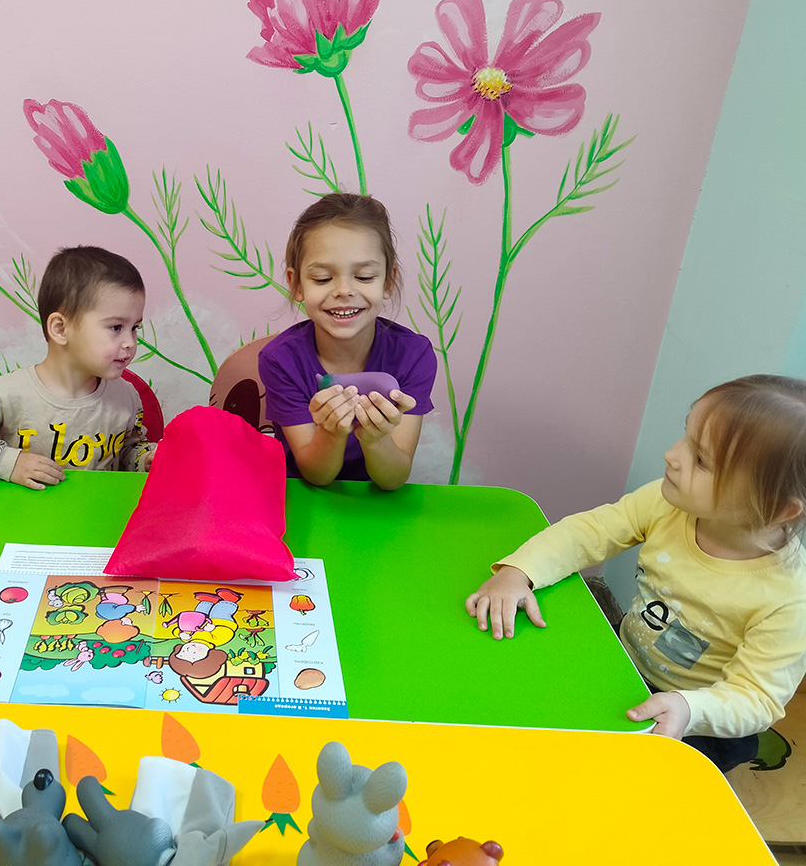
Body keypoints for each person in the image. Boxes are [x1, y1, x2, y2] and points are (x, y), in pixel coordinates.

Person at [466, 375, 806, 771]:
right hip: (624, 663)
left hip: (695, 719)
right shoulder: (668, 505)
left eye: (701, 461)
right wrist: (519, 571)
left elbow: (756, 698)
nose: (672, 456)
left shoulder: (789, 599)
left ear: (779, 509)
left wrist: (689, 707)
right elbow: (589, 532)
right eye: (686, 437)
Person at [0, 245, 155, 489]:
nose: (130, 342)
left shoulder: (127, 396)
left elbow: (128, 450)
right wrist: (8, 463)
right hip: (25, 510)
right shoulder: (5, 394)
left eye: (135, 328)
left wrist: (145, 459)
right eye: (116, 327)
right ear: (60, 329)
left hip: (99, 508)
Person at [259, 193, 436, 488]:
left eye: (364, 277)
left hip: (377, 502)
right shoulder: (280, 361)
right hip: (304, 497)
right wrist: (330, 434)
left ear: (388, 281)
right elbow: (316, 475)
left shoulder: (413, 355)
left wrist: (376, 440)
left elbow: (393, 479)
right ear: (296, 283)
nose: (344, 290)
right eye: (322, 278)